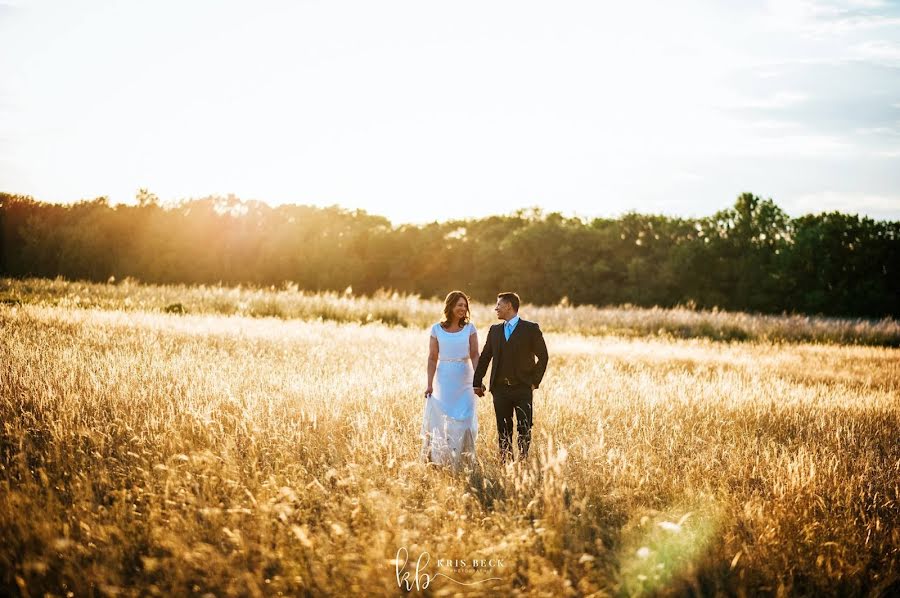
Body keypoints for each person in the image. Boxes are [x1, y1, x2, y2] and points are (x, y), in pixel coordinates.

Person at [473, 292, 548, 463]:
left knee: (524, 427)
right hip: (500, 390)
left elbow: (543, 357)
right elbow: (485, 357)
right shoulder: (495, 330)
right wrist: (477, 382)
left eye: (498, 305)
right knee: (503, 430)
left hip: (523, 388)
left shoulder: (530, 329)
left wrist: (534, 382)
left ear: (508, 306)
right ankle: (505, 463)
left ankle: (522, 462)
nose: (496, 308)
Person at [421, 290, 480, 467]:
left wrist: (478, 381)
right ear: (450, 306)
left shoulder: (470, 328)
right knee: (441, 419)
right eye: (459, 305)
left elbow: (475, 354)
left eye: (465, 305)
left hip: (465, 378)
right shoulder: (436, 329)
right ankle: (442, 459)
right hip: (444, 378)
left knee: (466, 419)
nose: (463, 308)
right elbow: (432, 357)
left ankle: (464, 460)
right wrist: (429, 384)